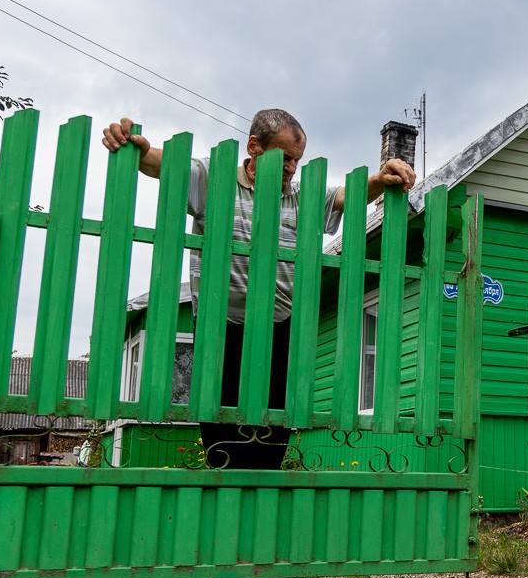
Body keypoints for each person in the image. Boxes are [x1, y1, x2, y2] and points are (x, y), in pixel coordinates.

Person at [102, 111, 415, 469]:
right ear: (254, 146)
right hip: (222, 329)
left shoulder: (302, 196)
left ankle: (262, 501)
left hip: (278, 330)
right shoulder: (214, 179)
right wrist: (137, 150)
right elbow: (166, 165)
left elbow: (347, 196)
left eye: (297, 159)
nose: (292, 168)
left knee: (271, 433)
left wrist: (381, 178)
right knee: (223, 435)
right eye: (285, 157)